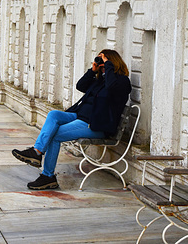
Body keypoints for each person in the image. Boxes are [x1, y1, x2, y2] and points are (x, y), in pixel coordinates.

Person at [12, 49, 131, 190]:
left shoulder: (122, 82)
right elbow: (80, 86)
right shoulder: (101, 80)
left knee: (54, 135)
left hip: (95, 125)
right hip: (79, 116)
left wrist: (108, 65)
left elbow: (111, 87)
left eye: (104, 60)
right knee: (53, 114)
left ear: (113, 62)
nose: (101, 64)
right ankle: (37, 152)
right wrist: (92, 70)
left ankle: (47, 176)